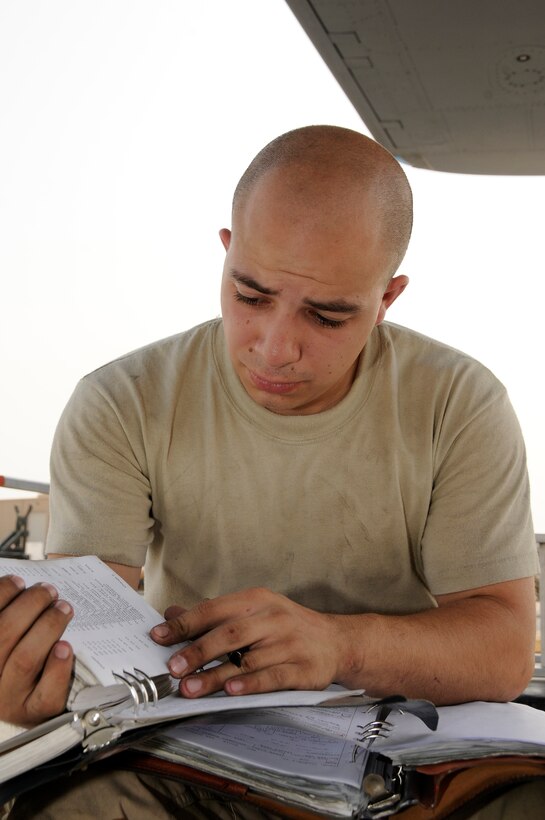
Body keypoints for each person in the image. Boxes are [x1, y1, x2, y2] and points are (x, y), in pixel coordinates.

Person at [0, 125, 540, 818]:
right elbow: (89, 646)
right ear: (226, 253)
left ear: (386, 299)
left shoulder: (458, 402)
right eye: (250, 295)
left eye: (327, 315)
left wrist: (338, 644)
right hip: (195, 758)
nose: (275, 347)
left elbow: (500, 651)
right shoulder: (121, 402)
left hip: (409, 762)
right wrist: (34, 677)